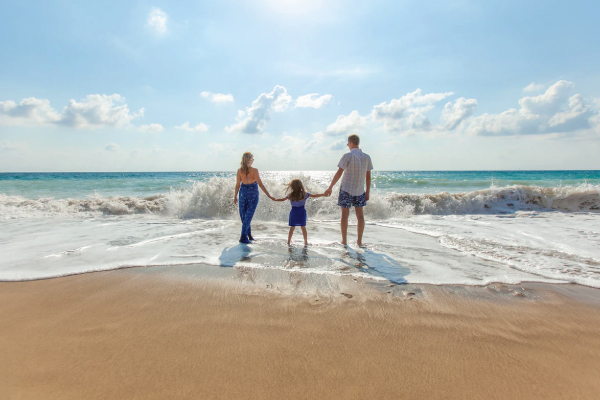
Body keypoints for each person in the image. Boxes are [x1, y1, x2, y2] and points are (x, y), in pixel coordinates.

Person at [324, 134, 373, 246]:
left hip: (346, 189)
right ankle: (359, 242)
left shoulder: (347, 156)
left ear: (350, 143)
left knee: (344, 216)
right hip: (360, 191)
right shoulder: (367, 157)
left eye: (348, 144)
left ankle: (344, 241)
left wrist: (330, 187)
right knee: (360, 216)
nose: (348, 146)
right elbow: (368, 177)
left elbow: (339, 173)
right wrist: (368, 191)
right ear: (358, 143)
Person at [271, 179, 327, 246]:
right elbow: (315, 195)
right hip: (301, 212)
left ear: (292, 186)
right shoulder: (304, 194)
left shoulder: (291, 195)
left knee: (292, 228)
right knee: (303, 228)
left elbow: (282, 199)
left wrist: (275, 199)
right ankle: (305, 242)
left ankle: (288, 242)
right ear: (301, 186)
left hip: (294, 212)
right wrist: (323, 194)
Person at [233, 152, 274, 244]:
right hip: (252, 194)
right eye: (252, 159)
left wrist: (235, 196)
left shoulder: (239, 171)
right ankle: (243, 237)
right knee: (247, 216)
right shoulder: (254, 170)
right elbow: (260, 184)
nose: (253, 161)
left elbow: (237, 185)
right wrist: (268, 195)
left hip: (243, 193)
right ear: (250, 160)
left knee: (245, 216)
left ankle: (249, 235)